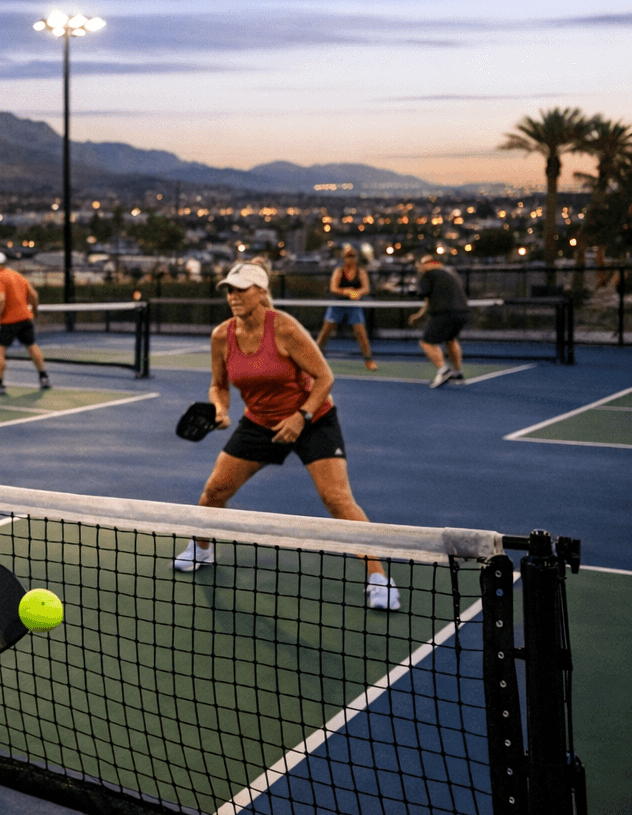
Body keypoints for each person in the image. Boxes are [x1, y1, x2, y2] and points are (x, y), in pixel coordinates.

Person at [171, 261, 399, 611]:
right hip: (259, 423)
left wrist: (301, 416)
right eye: (229, 290)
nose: (233, 296)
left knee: (337, 499)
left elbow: (324, 378)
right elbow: (219, 384)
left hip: (313, 418)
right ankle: (201, 550)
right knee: (214, 492)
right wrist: (219, 409)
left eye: (241, 289)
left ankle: (379, 576)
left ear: (261, 293)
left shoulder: (285, 329)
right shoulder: (221, 336)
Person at [0, 251, 50, 395]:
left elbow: (0, 299)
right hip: (25, 318)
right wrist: (35, 311)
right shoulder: (17, 275)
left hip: (9, 321)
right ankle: (44, 377)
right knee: (31, 346)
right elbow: (34, 295)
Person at [409, 253, 470, 388]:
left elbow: (424, 295)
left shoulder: (428, 275)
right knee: (450, 339)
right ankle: (457, 373)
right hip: (463, 312)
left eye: (423, 264)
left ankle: (443, 370)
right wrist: (419, 316)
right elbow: (430, 300)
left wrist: (414, 290)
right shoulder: (451, 275)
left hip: (445, 313)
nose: (420, 267)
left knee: (426, 343)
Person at [314, 245, 379, 371]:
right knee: (325, 332)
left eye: (352, 256)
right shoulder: (339, 271)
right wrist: (346, 292)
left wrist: (356, 293)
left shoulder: (361, 272)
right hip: (337, 304)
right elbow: (334, 288)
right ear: (344, 257)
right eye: (348, 256)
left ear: (356, 257)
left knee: (361, 333)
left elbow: (366, 288)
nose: (350, 259)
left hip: (353, 306)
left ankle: (368, 360)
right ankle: (313, 358)